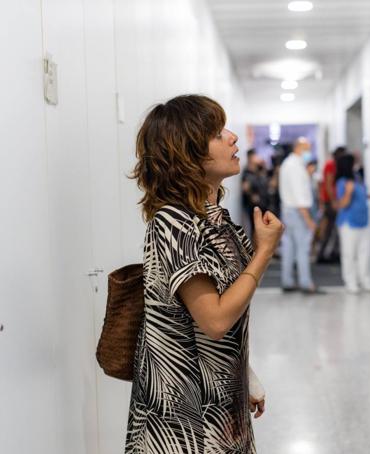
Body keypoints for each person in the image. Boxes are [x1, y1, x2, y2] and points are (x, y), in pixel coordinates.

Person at [127, 95, 284, 453]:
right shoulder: (173, 222)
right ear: (187, 153)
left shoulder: (216, 220)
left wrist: (245, 376)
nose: (232, 137)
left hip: (222, 402)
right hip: (184, 419)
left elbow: (222, 318)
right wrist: (263, 253)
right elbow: (214, 319)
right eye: (216, 134)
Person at [278, 137, 323, 294]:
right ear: (298, 147)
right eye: (307, 148)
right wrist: (309, 220)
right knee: (303, 249)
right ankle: (306, 283)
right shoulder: (295, 166)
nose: (308, 152)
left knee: (289, 247)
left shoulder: (288, 164)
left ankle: (287, 281)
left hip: (288, 211)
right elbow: (299, 197)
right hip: (298, 212)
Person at [335, 153, 370, 293]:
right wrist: (348, 192)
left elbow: (361, 194)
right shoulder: (342, 182)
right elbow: (342, 204)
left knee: (364, 252)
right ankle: (350, 281)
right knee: (349, 253)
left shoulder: (357, 178)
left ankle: (364, 279)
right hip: (349, 223)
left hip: (363, 220)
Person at [316, 146, 346, 263]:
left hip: (332, 200)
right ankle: (324, 253)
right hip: (330, 201)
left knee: (332, 229)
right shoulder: (330, 165)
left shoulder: (334, 165)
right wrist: (333, 201)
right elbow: (328, 184)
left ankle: (329, 253)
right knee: (330, 229)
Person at [241, 148, 270, 236]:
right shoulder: (247, 172)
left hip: (263, 203)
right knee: (255, 228)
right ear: (250, 157)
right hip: (253, 206)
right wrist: (252, 195)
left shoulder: (259, 169)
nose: (257, 158)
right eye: (255, 156)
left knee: (264, 226)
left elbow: (266, 181)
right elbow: (245, 188)